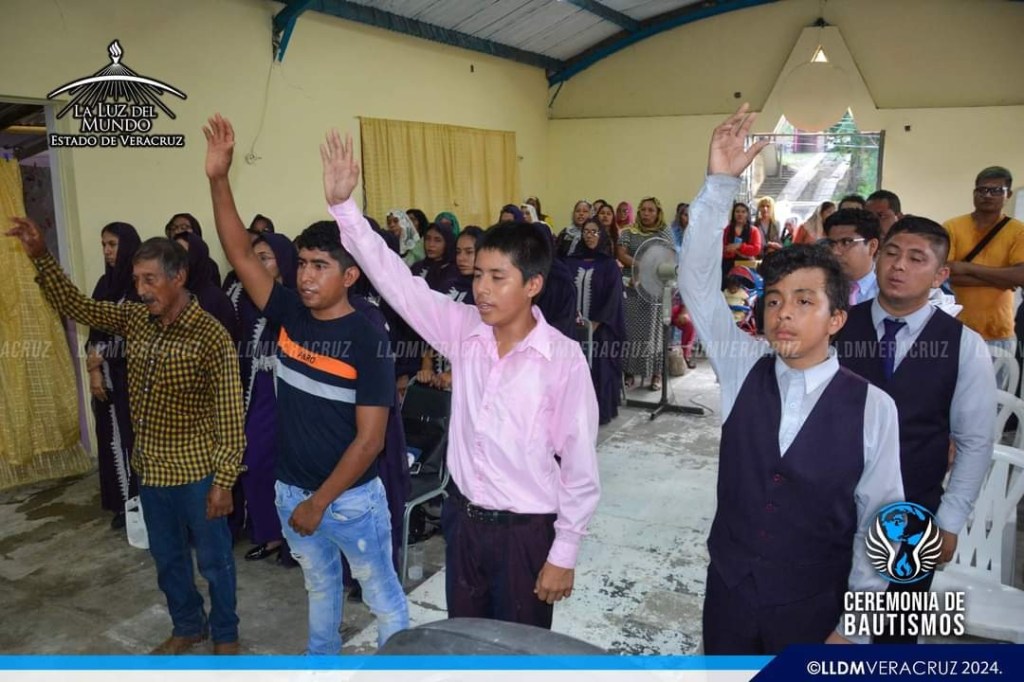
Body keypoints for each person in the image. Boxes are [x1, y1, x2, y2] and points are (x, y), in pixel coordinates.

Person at [322, 128, 600, 629]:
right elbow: (398, 284)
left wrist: (564, 551)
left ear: (533, 285)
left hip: (525, 534)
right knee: (466, 644)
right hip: (464, 523)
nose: (482, 290)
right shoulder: (463, 331)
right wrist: (345, 209)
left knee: (519, 653)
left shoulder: (562, 360)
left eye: (498, 278)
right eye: (477, 276)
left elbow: (580, 466)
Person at [677, 104, 904, 654]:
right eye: (775, 300)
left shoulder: (872, 407)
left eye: (804, 301)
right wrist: (719, 186)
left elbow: (882, 522)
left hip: (814, 608)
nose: (783, 313)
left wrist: (855, 626)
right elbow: (698, 285)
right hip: (730, 592)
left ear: (836, 319)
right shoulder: (744, 366)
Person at [203, 114, 408, 654]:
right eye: (303, 264)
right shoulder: (290, 312)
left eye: (321, 266)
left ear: (350, 275)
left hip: (349, 501)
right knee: (319, 589)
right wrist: (219, 179)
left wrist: (319, 502)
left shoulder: (367, 335)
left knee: (383, 598)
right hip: (292, 489)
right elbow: (240, 253)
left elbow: (371, 440)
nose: (306, 276)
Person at [7, 220, 246, 655]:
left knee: (215, 562)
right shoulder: (136, 319)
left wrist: (224, 481)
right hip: (151, 471)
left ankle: (226, 634)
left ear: (179, 277)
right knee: (168, 559)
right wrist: (41, 256)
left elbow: (229, 414)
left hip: (198, 472)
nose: (141, 290)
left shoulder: (210, 335)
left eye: (150, 280)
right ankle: (187, 624)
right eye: (137, 280)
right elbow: (78, 306)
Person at [834, 216, 996, 644]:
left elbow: (975, 442)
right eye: (891, 253)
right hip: (829, 507)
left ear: (941, 275)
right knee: (820, 627)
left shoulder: (964, 345)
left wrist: (950, 520)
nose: (899, 265)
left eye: (916, 258)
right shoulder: (837, 327)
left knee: (892, 635)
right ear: (877, 258)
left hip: (910, 517)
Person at [237, 233, 299, 567]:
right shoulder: (250, 302)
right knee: (255, 459)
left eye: (266, 257)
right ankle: (269, 533)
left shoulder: (296, 303)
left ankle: (294, 541)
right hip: (259, 391)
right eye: (255, 257)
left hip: (291, 396)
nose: (258, 264)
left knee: (291, 468)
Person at [86, 221, 141, 530]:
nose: (107, 251)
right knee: (110, 440)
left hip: (130, 378)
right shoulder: (103, 285)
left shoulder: (139, 287)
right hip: (105, 378)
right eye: (103, 245)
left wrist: (104, 355)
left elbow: (142, 338)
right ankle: (121, 503)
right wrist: (94, 368)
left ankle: (139, 503)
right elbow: (94, 329)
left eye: (113, 244)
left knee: (132, 440)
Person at [943, 166, 1024, 359]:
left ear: (1008, 195)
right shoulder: (952, 227)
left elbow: (1020, 276)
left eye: (996, 190)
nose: (987, 195)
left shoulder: (1018, 231)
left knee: (998, 379)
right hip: (954, 325)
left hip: (998, 330)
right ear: (974, 192)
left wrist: (966, 267)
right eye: (982, 190)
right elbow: (945, 274)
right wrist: (1003, 279)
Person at [565, 219, 626, 425]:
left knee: (599, 365)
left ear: (602, 235)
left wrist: (596, 323)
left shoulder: (608, 265)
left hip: (601, 328)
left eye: (594, 232)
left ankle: (599, 412)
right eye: (586, 232)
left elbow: (613, 298)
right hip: (573, 327)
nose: (589, 235)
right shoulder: (570, 262)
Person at [617, 197, 673, 391]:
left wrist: (649, 271)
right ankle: (629, 373)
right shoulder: (629, 231)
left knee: (653, 334)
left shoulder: (664, 232)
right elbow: (621, 254)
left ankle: (656, 374)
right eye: (643, 210)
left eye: (651, 210)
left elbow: (668, 257)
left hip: (654, 288)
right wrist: (641, 266)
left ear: (658, 213)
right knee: (630, 331)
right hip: (631, 287)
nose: (646, 213)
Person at [174, 232, 240, 343]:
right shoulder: (167, 294)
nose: (174, 260)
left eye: (181, 254)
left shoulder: (217, 300)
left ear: (196, 257)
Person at [823, 209, 881, 305]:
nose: (835, 252)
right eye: (832, 244)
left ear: (872, 246)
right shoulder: (822, 286)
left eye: (846, 242)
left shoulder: (888, 290)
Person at [164, 212, 222, 287]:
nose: (177, 231)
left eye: (184, 227)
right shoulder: (164, 261)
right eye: (173, 228)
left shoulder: (209, 266)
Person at [721, 202, 763, 284]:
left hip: (747, 267)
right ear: (733, 214)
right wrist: (731, 251)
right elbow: (723, 248)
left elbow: (756, 249)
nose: (740, 214)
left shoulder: (754, 230)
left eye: (743, 212)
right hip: (728, 268)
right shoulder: (727, 230)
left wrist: (739, 246)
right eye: (737, 211)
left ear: (747, 214)